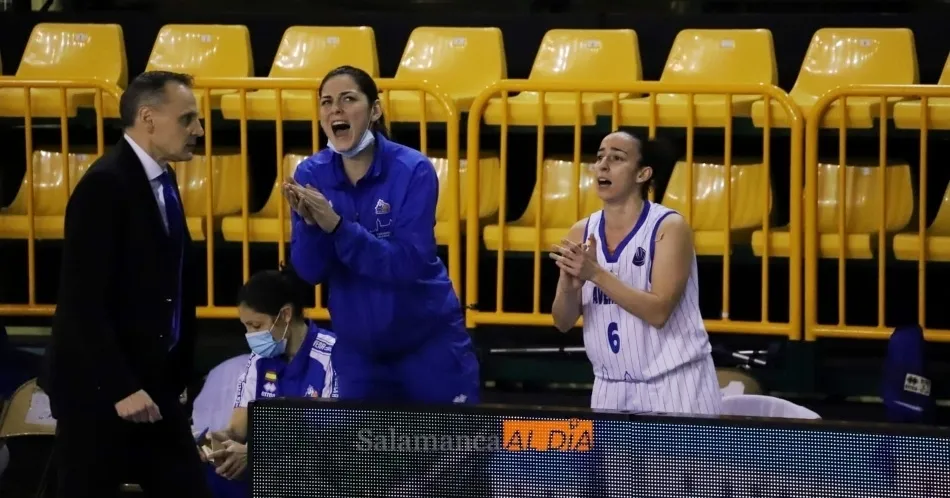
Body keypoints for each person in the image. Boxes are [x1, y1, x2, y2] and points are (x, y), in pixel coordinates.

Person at [41, 71, 210, 497]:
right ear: (148, 118)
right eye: (188, 118)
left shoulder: (163, 179)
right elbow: (83, 301)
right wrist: (121, 388)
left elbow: (172, 284)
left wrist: (178, 374)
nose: (199, 130)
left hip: (154, 386)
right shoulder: (105, 183)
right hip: (102, 392)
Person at [281, 65, 479, 404]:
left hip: (428, 342)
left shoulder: (413, 169)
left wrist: (338, 228)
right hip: (360, 352)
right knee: (367, 457)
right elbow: (311, 271)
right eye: (326, 102)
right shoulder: (310, 173)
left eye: (348, 99)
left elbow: (407, 263)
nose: (336, 110)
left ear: (375, 109)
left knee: (450, 453)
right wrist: (313, 229)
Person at [550, 131, 722, 415]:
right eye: (600, 157)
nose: (603, 165)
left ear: (643, 174)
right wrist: (570, 287)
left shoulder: (669, 227)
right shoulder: (581, 231)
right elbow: (563, 321)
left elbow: (658, 311)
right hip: (610, 387)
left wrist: (595, 273)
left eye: (616, 158)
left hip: (675, 385)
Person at [196, 267, 339, 497]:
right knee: (211, 476)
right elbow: (237, 428)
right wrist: (220, 442)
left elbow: (329, 443)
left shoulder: (333, 355)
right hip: (269, 469)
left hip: (317, 474)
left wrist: (256, 455)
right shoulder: (259, 359)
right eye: (245, 327)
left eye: (256, 326)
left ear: (285, 315)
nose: (250, 336)